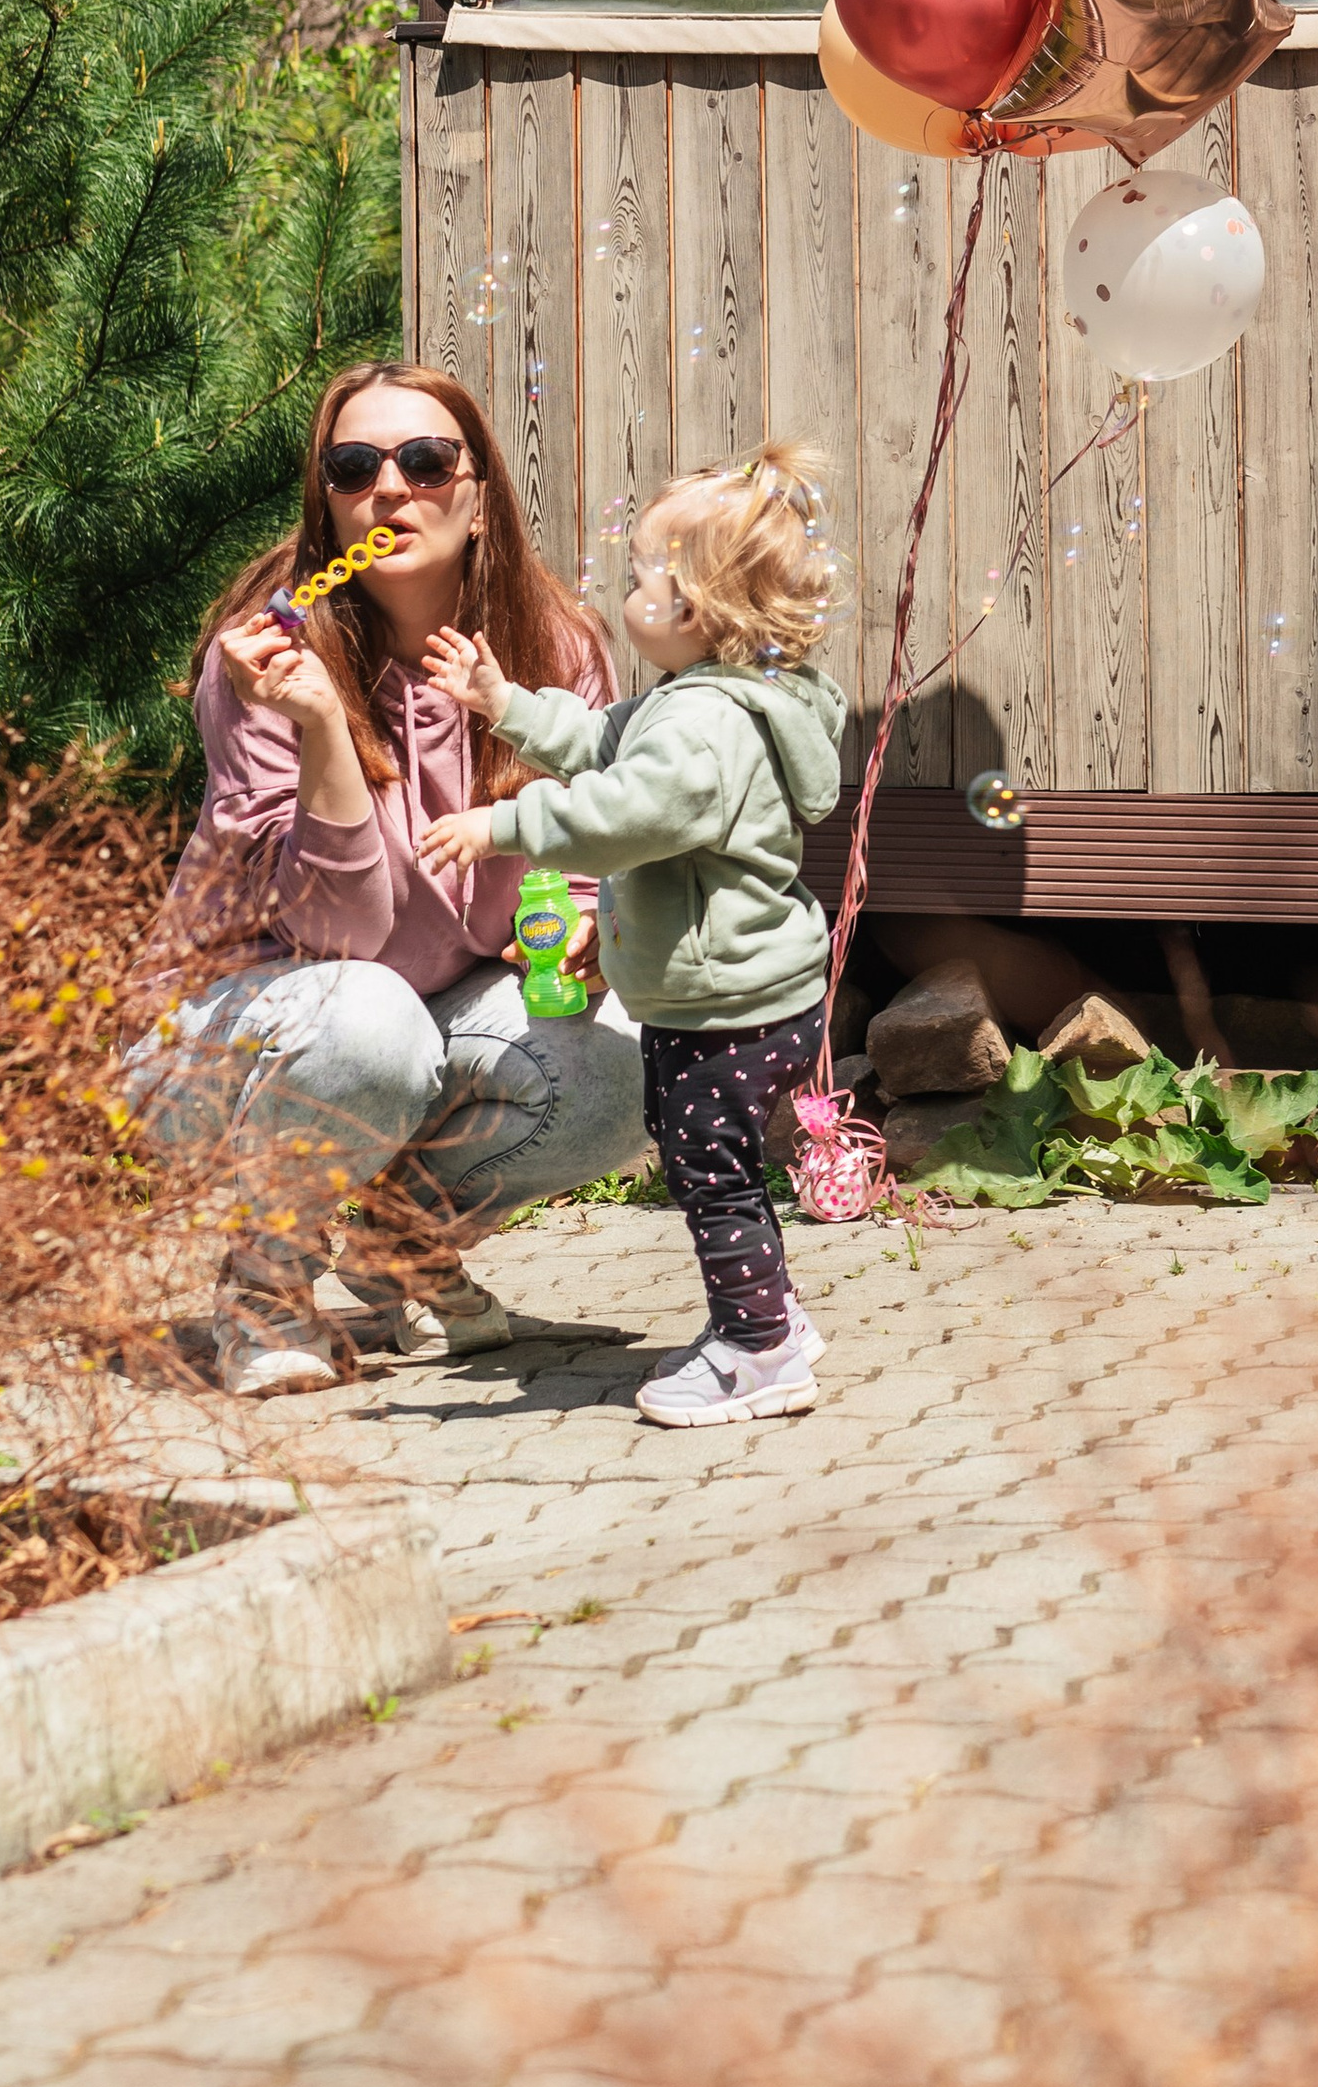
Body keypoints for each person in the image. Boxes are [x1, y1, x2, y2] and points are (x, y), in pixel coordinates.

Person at [122, 361, 647, 1396]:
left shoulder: (554, 646)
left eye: (425, 460)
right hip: (234, 1040)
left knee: (631, 1055)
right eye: (354, 468)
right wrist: (319, 723)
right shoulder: (270, 659)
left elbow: (587, 844)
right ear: (326, 505)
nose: (390, 490)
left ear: (480, 492)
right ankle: (263, 1292)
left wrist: (582, 929)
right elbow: (339, 936)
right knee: (371, 1020)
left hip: (420, 1009)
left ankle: (394, 1250)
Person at [419, 441, 847, 1432]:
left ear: (695, 608)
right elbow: (609, 743)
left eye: (646, 574)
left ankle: (757, 1349)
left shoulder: (701, 725)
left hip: (723, 1004)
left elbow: (626, 812)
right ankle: (769, 1310)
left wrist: (503, 825)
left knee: (710, 1174)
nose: (630, 589)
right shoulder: (710, 701)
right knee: (717, 1162)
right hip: (745, 992)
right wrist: (506, 707)